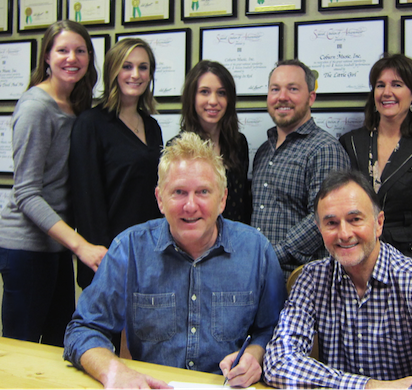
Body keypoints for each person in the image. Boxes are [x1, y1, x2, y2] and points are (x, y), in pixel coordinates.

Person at [64, 132, 286, 389]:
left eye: (203, 192)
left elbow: (273, 329)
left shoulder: (257, 251)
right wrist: (113, 371)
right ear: (160, 199)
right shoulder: (129, 250)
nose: (190, 206)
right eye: (179, 192)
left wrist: (254, 355)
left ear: (222, 199)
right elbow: (82, 329)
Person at [263, 170, 412, 389]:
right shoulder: (311, 279)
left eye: (355, 219)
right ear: (319, 229)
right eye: (331, 223)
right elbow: (278, 362)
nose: (344, 233)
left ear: (379, 223)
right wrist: (369, 386)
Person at [0, 21, 107, 346]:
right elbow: (26, 194)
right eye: (62, 50)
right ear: (47, 56)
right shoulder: (36, 107)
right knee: (23, 348)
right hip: (26, 248)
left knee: (60, 343)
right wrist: (80, 246)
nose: (71, 58)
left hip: (55, 248)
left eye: (80, 50)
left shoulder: (76, 107)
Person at [339, 54, 412, 268]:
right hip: (354, 259)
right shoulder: (350, 142)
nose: (386, 92)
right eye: (380, 85)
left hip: (407, 262)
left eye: (397, 84)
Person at [69, 38, 163, 289]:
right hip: (107, 258)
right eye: (127, 66)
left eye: (143, 67)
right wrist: (107, 259)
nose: (135, 74)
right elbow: (87, 202)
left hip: (148, 254)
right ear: (113, 71)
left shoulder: (152, 126)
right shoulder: (90, 124)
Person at [251, 59, 350, 276]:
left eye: (293, 89)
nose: (282, 97)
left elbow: (324, 217)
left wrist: (270, 254)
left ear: (311, 97)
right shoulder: (262, 152)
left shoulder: (325, 149)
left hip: (301, 281)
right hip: (258, 275)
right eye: (275, 89)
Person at [180, 60, 250, 223]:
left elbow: (242, 204)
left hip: (234, 242)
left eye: (221, 93)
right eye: (204, 92)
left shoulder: (239, 143)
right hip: (194, 241)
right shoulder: (178, 148)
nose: (213, 101)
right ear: (192, 97)